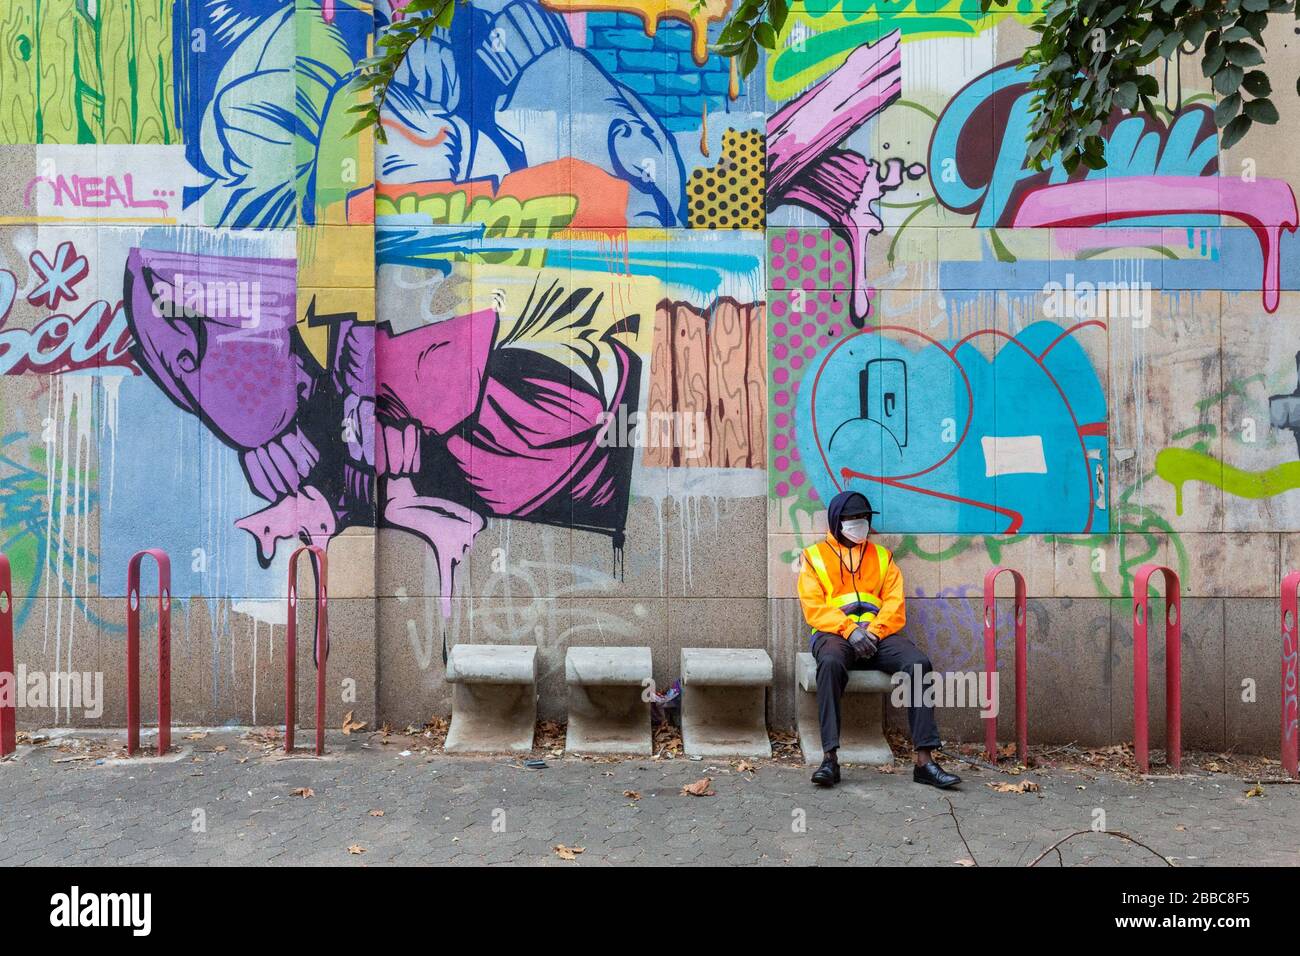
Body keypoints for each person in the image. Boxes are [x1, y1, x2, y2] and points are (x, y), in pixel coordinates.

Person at [797, 490, 961, 789]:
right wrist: (849, 630)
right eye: (851, 519)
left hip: (877, 635)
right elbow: (814, 608)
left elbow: (895, 605)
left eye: (863, 519)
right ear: (836, 521)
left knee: (918, 664)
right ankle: (829, 758)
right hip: (835, 635)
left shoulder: (883, 557)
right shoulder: (814, 557)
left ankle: (924, 761)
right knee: (830, 664)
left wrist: (873, 632)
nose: (858, 524)